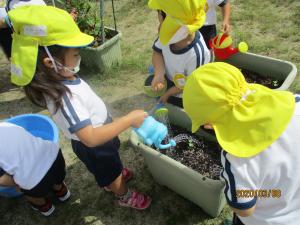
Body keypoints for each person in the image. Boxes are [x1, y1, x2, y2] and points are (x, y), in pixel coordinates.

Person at [8, 5, 151, 210]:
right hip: (95, 144)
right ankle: (122, 193)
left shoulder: (63, 79)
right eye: (75, 54)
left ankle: (113, 176)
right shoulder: (66, 98)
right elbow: (91, 138)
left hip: (101, 135)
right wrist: (128, 120)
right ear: (50, 62)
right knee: (109, 169)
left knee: (110, 166)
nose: (79, 58)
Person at [182, 62, 300, 225]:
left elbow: (245, 209)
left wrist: (269, 193)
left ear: (209, 124)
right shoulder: (295, 104)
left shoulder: (237, 159)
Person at [148, 0, 211, 108]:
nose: (159, 27)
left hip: (186, 92)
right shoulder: (168, 35)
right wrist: (159, 74)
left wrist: (168, 93)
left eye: (162, 15)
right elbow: (157, 52)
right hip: (169, 80)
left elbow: (190, 84)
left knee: (184, 108)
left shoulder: (197, 54)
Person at [0, 120, 70, 216]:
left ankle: (45, 207)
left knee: (30, 193)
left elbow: (3, 180)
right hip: (55, 157)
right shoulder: (6, 125)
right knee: (55, 177)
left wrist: (17, 185)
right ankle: (62, 192)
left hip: (33, 183)